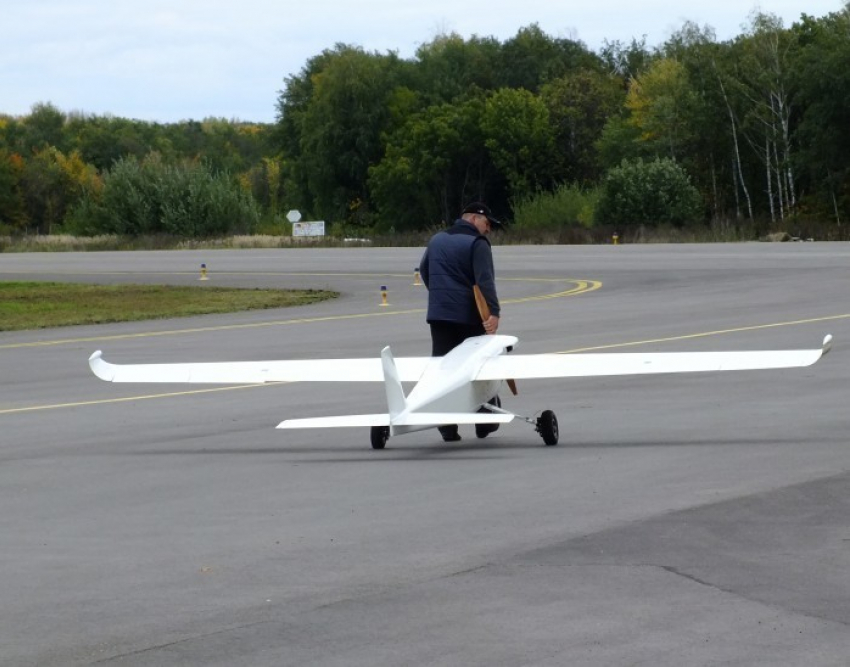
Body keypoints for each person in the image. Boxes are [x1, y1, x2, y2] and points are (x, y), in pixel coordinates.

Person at [419, 201, 503, 442]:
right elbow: (485, 281)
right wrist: (493, 313)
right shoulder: (478, 244)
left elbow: (425, 271)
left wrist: (441, 297)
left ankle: (446, 423)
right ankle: (484, 421)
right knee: (477, 367)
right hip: (469, 317)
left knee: (443, 368)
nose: (488, 230)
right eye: (487, 224)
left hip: (438, 316)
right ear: (475, 219)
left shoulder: (436, 240)